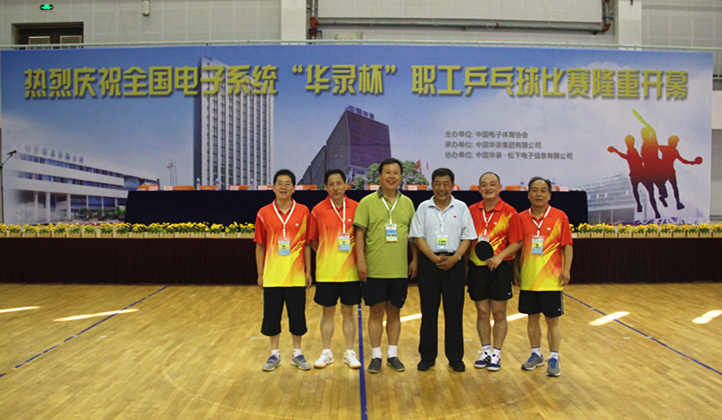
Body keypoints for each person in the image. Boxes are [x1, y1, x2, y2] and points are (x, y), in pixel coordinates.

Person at [354, 157, 418, 373]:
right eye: (387, 172)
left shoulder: (407, 203)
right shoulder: (367, 202)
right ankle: (375, 356)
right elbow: (359, 234)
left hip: (399, 270)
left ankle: (392, 354)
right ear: (380, 176)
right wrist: (361, 261)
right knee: (375, 313)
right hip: (375, 269)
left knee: (394, 313)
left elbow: (413, 236)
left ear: (401, 177)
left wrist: (415, 259)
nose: (392, 176)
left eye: (396, 173)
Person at [409, 168, 475, 372]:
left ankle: (455, 358)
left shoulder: (461, 207)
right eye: (437, 183)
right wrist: (433, 257)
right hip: (430, 264)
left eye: (446, 184)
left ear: (453, 185)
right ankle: (427, 357)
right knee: (428, 313)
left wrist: (455, 258)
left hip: (454, 264)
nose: (441, 188)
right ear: (432, 185)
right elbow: (417, 236)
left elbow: (468, 237)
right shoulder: (423, 207)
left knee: (454, 313)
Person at [254, 169, 313, 372]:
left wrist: (308, 271)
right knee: (272, 316)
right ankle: (274, 354)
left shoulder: (303, 211)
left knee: (297, 316)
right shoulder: (263, 213)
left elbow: (307, 244)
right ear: (273, 187)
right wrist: (260, 273)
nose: (283, 187)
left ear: (294, 188)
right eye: (279, 183)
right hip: (273, 276)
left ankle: (297, 353)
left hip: (296, 276)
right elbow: (259, 245)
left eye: (288, 183)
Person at [516, 177, 573, 377]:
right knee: (532, 318)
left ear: (549, 194)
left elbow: (567, 246)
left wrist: (566, 270)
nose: (538, 194)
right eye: (534, 190)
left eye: (542, 190)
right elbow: (517, 247)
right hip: (529, 279)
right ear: (528, 194)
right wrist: (516, 271)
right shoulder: (520, 218)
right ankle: (536, 354)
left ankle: (554, 357)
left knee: (552, 320)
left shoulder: (560, 216)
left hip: (552, 279)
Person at [467, 171, 522, 371]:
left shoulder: (510, 212)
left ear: (499, 187)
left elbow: (517, 242)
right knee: (482, 312)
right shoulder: (471, 210)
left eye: (492, 184)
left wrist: (499, 257)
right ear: (479, 188)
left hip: (500, 268)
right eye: (484, 184)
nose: (488, 187)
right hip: (477, 268)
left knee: (499, 312)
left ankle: (496, 353)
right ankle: (485, 350)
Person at [308, 169, 362, 369]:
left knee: (348, 312)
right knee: (327, 312)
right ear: (326, 187)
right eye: (331, 184)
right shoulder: (317, 210)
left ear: (345, 184)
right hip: (327, 272)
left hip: (351, 272)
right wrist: (328, 254)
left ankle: (349, 352)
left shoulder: (357, 208)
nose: (336, 187)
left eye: (339, 183)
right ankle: (326, 352)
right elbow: (313, 241)